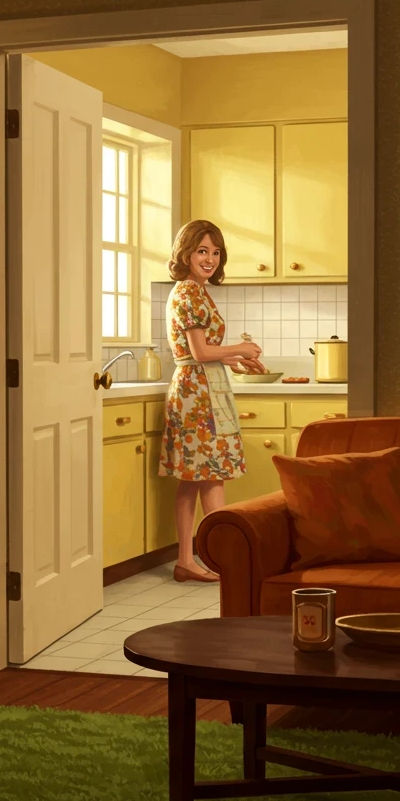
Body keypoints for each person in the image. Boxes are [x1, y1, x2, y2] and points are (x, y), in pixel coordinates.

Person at [158, 219, 265, 582]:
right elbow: (200, 352)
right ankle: (222, 560)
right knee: (212, 476)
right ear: (185, 252)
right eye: (202, 250)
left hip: (199, 386)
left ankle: (187, 561)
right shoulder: (188, 293)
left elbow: (202, 353)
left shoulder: (197, 291)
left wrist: (236, 359)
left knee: (192, 479)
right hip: (195, 392)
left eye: (215, 252)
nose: (210, 259)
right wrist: (241, 347)